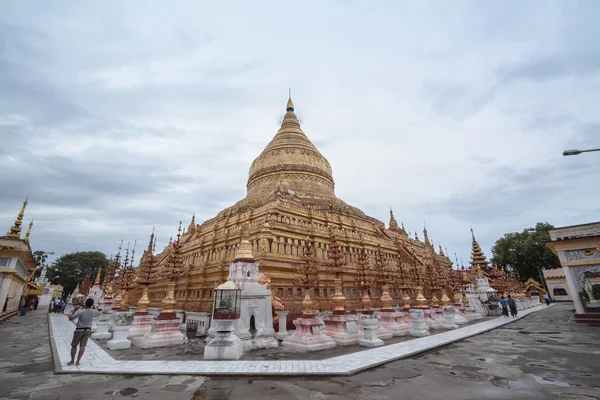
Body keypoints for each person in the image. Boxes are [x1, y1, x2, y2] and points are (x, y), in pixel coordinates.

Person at [67, 298, 100, 366]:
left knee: (74, 345)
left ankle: (72, 361)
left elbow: (70, 318)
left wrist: (74, 310)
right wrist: (93, 307)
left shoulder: (81, 311)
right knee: (82, 346)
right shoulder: (94, 312)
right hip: (88, 330)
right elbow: (98, 313)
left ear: (85, 303)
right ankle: (78, 362)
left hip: (79, 329)